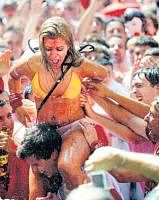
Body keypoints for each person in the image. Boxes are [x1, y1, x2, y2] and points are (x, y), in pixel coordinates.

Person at [4, 16, 108, 198]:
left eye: (59, 49)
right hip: (43, 133)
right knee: (36, 194)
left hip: (74, 128)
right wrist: (17, 104)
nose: (53, 55)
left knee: (66, 166)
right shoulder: (34, 63)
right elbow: (13, 76)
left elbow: (103, 73)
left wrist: (88, 96)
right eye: (48, 49)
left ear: (69, 44)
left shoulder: (79, 65)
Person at [16, 123, 64, 200]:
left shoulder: (71, 167)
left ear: (53, 154)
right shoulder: (50, 173)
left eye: (36, 164)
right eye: (31, 165)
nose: (34, 170)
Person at [0, 92, 29, 199]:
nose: (7, 123)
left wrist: (15, 150)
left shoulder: (20, 142)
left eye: (9, 116)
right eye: (0, 119)